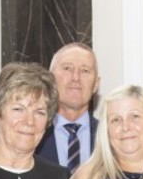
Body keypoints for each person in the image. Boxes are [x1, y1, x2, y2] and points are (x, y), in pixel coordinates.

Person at [35, 42, 100, 171]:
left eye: (85, 71)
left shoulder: (111, 137)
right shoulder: (31, 133)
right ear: (51, 78)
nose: (75, 77)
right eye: (67, 68)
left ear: (96, 84)